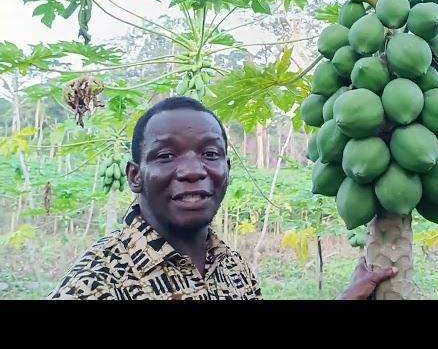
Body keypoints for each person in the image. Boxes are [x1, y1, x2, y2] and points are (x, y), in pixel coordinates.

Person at [50, 96, 396, 300]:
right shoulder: (98, 283)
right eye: (166, 156)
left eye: (210, 154)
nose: (192, 170)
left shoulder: (233, 267)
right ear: (135, 176)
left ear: (227, 169)